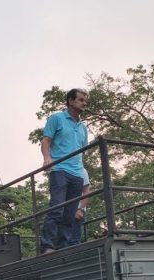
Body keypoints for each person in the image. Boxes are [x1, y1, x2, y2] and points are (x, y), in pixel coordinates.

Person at [40, 88, 89, 254]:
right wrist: (47, 158)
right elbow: (46, 141)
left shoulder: (83, 128)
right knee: (57, 208)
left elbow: (82, 150)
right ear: (70, 100)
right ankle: (47, 245)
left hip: (77, 173)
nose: (84, 103)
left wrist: (82, 171)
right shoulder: (56, 118)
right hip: (60, 169)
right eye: (81, 100)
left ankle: (63, 246)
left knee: (70, 213)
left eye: (85, 100)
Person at [70, 169, 90, 245]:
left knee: (73, 241)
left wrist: (81, 209)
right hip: (64, 211)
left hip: (76, 209)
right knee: (62, 242)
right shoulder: (60, 169)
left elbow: (86, 191)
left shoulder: (82, 170)